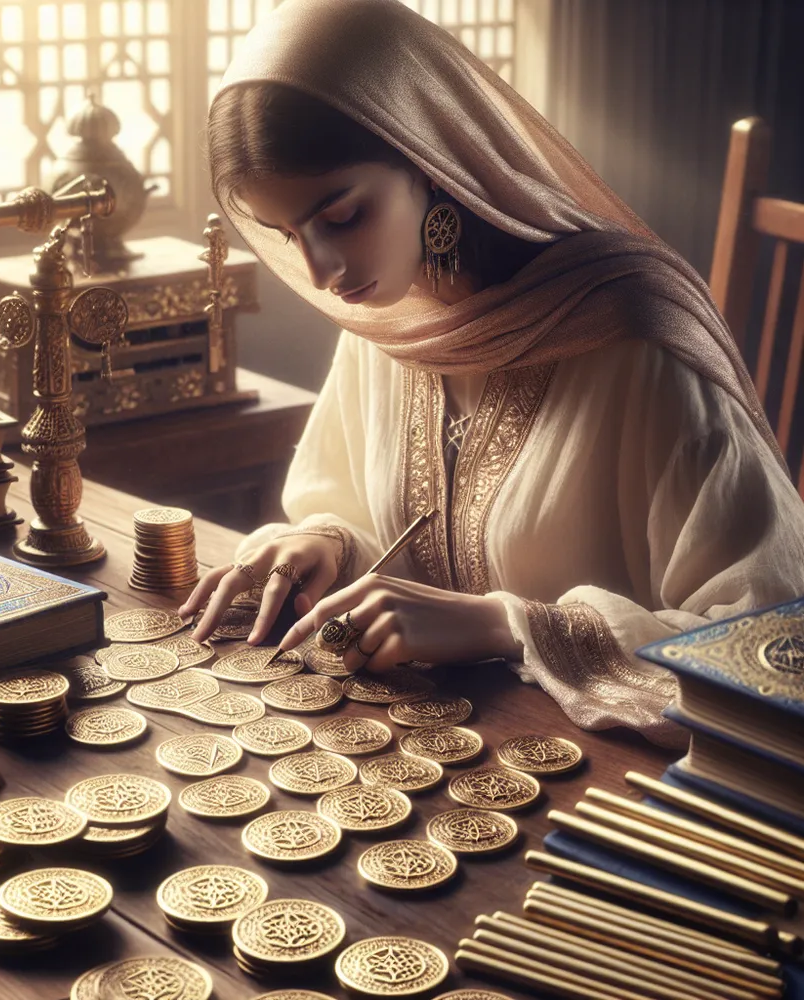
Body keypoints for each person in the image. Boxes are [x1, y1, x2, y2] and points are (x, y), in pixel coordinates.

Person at [178, 0, 804, 745]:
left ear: (431, 158)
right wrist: (328, 541)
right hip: (428, 755)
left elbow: (769, 652)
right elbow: (366, 511)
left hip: (618, 787)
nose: (320, 271)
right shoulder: (393, 313)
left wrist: (510, 625)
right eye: (289, 235)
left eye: (342, 216)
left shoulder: (633, 336)